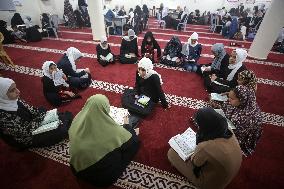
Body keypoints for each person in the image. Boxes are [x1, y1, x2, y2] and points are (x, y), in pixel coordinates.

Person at [69, 94, 139, 187]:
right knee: (134, 144)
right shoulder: (113, 131)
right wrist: (127, 125)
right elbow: (130, 139)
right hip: (101, 179)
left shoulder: (77, 119)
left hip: (76, 168)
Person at [168, 107, 242, 189]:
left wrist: (199, 147)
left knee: (171, 153)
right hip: (230, 171)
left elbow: (195, 162)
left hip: (213, 185)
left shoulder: (206, 146)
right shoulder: (227, 129)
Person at [0, 77, 73, 149]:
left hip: (32, 122)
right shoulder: (2, 116)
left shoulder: (13, 99)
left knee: (59, 116)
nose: (18, 91)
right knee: (61, 131)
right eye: (12, 90)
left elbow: (31, 110)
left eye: (16, 88)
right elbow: (25, 132)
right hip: (25, 138)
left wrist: (40, 114)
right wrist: (40, 116)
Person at [221, 85, 262, 156]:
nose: (228, 99)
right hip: (231, 125)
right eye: (229, 97)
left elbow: (236, 135)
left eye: (232, 98)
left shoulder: (248, 118)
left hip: (239, 136)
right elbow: (227, 106)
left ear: (241, 99)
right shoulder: (242, 102)